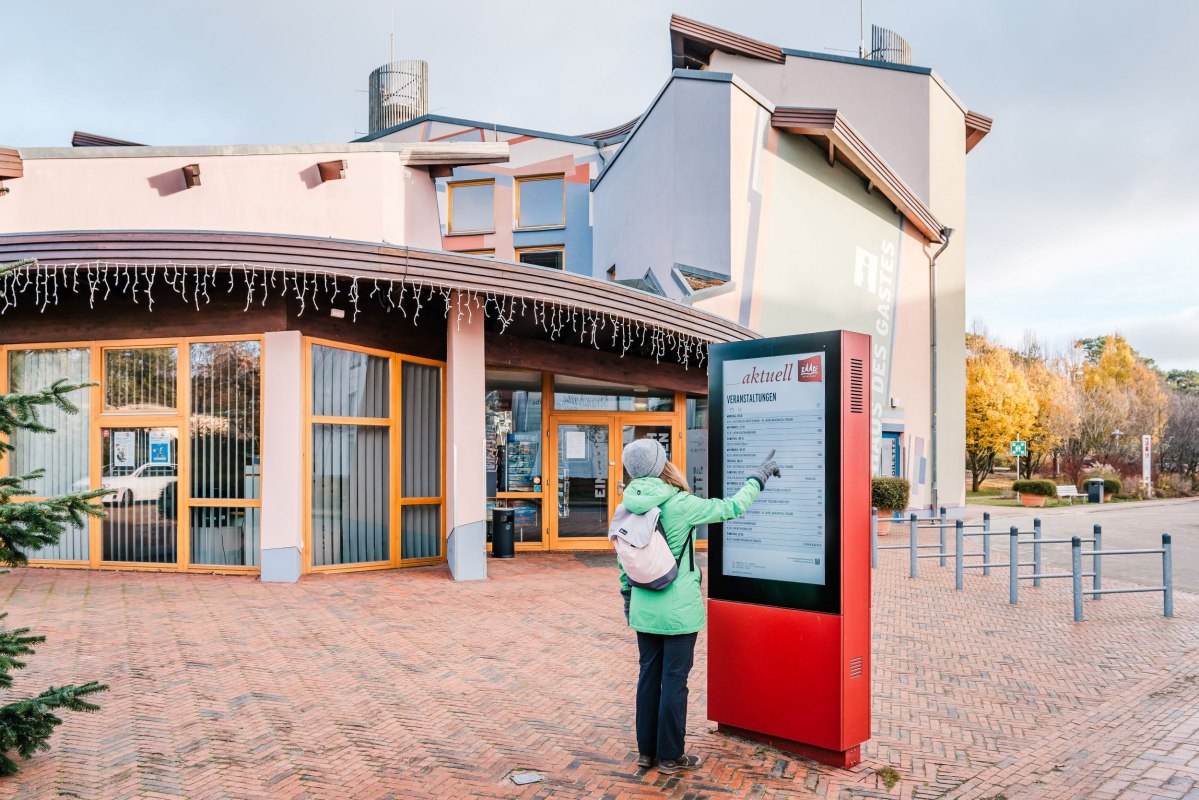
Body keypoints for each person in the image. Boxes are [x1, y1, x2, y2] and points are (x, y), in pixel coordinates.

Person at [617, 438, 780, 774]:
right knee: (675, 680)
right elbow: (731, 508)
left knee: (648, 677)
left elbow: (625, 561)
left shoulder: (627, 505)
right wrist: (758, 477)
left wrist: (628, 598)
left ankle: (647, 752)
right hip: (678, 611)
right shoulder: (681, 503)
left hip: (644, 607)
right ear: (661, 464)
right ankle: (670, 756)